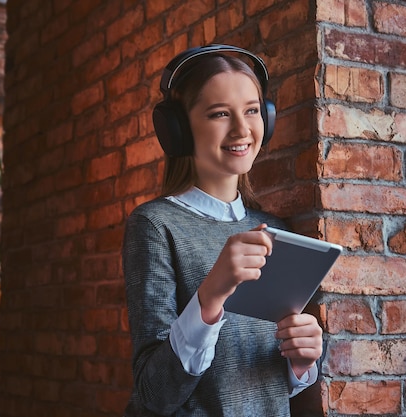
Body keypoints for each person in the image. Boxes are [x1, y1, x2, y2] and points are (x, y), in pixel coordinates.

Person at [122, 45, 323, 416]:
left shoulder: (276, 231)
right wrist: (211, 294)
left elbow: (269, 385)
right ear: (177, 130)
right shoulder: (154, 225)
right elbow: (154, 394)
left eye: (252, 110)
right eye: (219, 114)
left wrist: (302, 364)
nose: (242, 129)